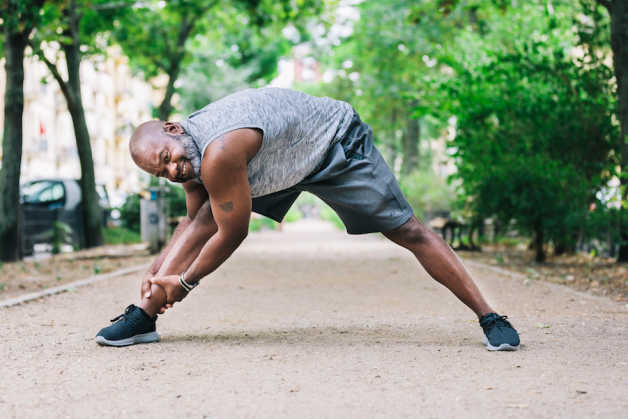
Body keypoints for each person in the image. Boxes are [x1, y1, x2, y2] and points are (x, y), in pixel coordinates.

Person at [95, 87, 520, 351]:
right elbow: (194, 223)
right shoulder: (189, 156)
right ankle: (143, 317)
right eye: (161, 172)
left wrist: (183, 283)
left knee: (408, 230)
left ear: (172, 130)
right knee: (203, 216)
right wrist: (158, 272)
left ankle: (489, 317)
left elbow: (232, 232)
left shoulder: (217, 152)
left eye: (167, 160)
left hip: (333, 145)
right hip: (275, 162)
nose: (172, 171)